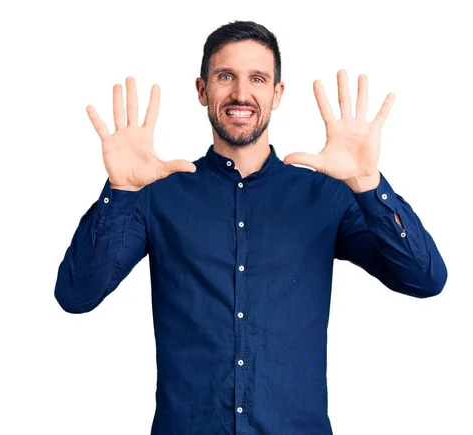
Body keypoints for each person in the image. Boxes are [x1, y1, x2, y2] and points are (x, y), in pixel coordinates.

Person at [54, 20, 447, 435]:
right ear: (202, 90)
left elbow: (425, 279)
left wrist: (369, 183)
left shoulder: (327, 196)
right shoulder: (158, 195)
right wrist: (121, 191)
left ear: (277, 94)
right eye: (226, 77)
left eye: (257, 78)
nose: (241, 94)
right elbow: (76, 295)